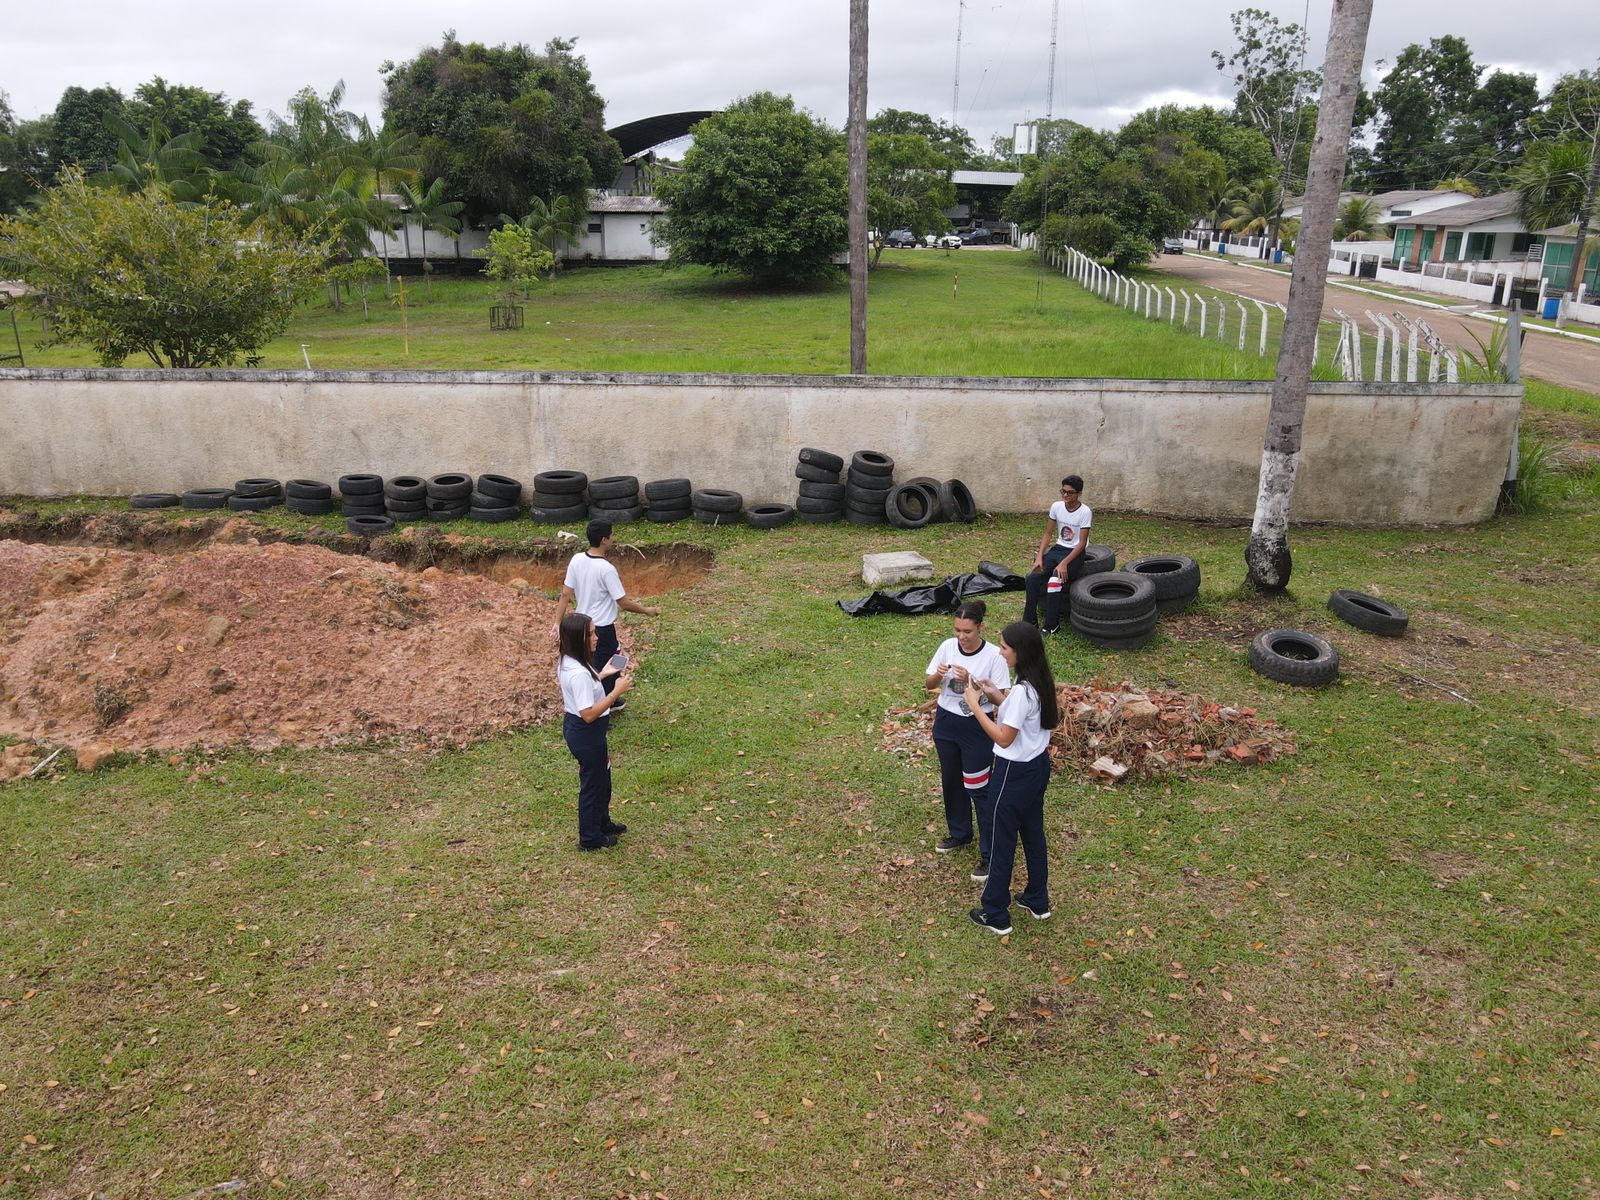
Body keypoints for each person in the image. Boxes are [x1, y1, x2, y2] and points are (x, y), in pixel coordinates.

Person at [962, 621, 1059, 936]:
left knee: (1002, 841)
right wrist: (996, 696)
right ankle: (1036, 899)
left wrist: (976, 705)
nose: (1000, 652)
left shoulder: (1020, 691)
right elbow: (1024, 720)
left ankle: (995, 913)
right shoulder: (1038, 682)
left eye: (1004, 647)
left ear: (1020, 652)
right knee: (1033, 834)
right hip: (1036, 768)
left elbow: (1004, 739)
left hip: (1012, 773)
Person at [924, 601, 1012, 871]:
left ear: (980, 628)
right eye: (957, 630)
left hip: (977, 724)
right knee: (951, 780)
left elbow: (1003, 699)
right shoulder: (947, 647)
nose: (961, 636)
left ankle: (990, 852)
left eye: (967, 631)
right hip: (947, 722)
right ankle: (960, 833)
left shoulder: (995, 656)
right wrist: (938, 675)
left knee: (978, 788)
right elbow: (928, 685)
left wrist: (972, 680)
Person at [554, 519, 660, 710]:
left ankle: (611, 697)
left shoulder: (577, 559)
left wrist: (557, 622)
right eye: (612, 535)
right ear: (604, 540)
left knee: (601, 661)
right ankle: (603, 706)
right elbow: (624, 602)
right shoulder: (606, 569)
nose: (613, 537)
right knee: (611, 662)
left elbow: (565, 593)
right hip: (602, 628)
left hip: (582, 626)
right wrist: (648, 611)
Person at [557, 613, 634, 850]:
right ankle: (590, 839)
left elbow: (586, 689)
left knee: (602, 779)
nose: (596, 637)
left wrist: (604, 673)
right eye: (590, 633)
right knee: (593, 785)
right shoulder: (578, 672)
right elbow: (588, 713)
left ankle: (603, 823)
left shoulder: (572, 660)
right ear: (578, 638)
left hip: (587, 734)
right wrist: (615, 692)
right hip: (586, 734)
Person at [1022, 475, 1091, 635]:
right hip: (1058, 549)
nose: (1066, 496)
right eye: (1063, 491)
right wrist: (1040, 556)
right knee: (1032, 577)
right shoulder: (1056, 507)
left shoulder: (1085, 512)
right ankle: (1029, 620)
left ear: (1079, 494)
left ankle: (1052, 625)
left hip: (1075, 553)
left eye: (1070, 493)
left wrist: (1064, 563)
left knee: (1054, 581)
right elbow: (1048, 533)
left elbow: (1081, 543)